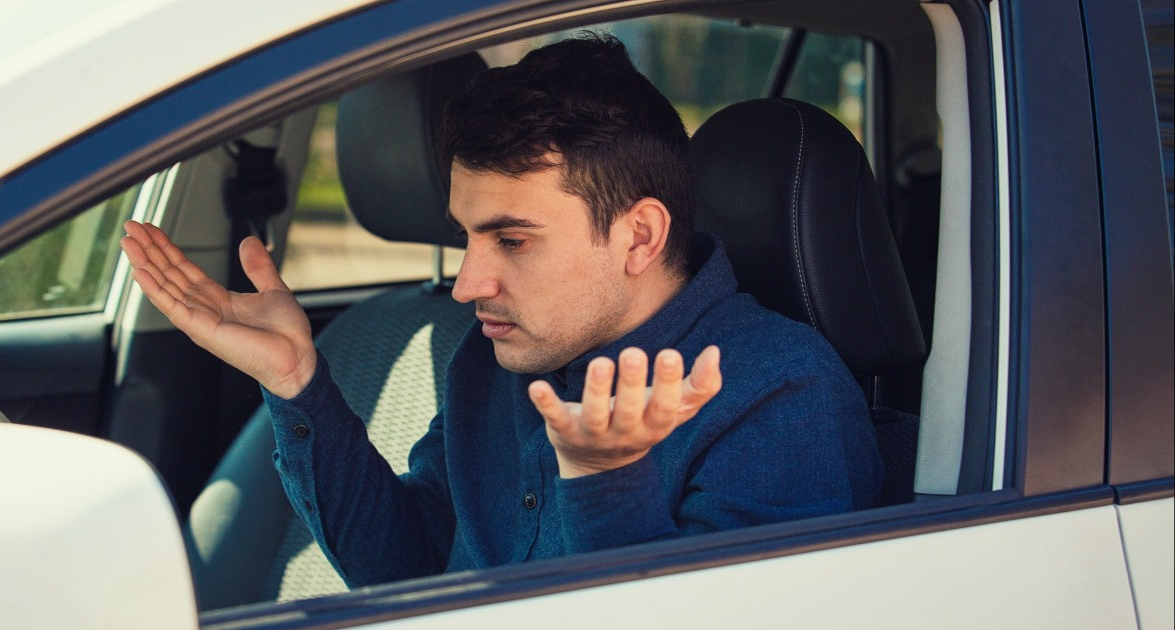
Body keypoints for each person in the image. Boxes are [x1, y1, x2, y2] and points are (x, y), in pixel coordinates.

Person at [121, 35, 881, 588]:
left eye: (512, 239)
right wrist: (298, 383)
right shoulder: (497, 361)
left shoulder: (783, 397)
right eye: (466, 237)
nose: (467, 283)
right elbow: (405, 572)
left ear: (639, 235)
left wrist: (603, 481)